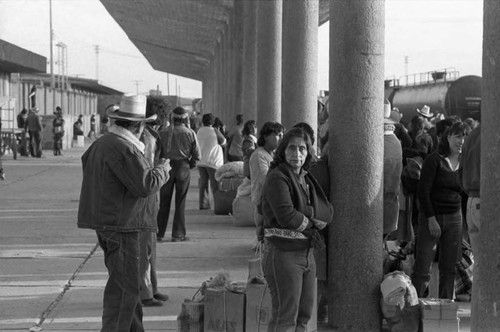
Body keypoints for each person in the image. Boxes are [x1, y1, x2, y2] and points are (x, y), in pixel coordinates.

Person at [77, 94, 170, 332]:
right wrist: (162, 169)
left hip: (110, 223)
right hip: (123, 225)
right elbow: (144, 185)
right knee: (124, 293)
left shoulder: (104, 143)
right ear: (138, 126)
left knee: (129, 291)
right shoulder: (123, 147)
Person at [261, 127, 334, 330]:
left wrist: (308, 213)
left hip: (307, 253)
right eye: (292, 148)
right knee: (285, 318)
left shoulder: (305, 177)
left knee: (304, 316)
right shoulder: (277, 177)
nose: (297, 154)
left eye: (302, 149)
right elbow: (287, 217)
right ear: (283, 151)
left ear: (308, 152)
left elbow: (326, 212)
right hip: (283, 253)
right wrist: (312, 221)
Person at [411, 122, 468, 299]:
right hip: (432, 216)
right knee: (423, 268)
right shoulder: (434, 160)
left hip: (454, 218)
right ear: (448, 137)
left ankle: (445, 310)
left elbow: (464, 193)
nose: (461, 141)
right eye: (458, 136)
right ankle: (413, 310)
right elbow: (423, 191)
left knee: (449, 268)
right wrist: (431, 218)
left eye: (464, 136)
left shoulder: (464, 162)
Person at [138, 103, 170, 307]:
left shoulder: (151, 136)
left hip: (151, 197)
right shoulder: (148, 138)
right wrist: (163, 169)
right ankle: (144, 291)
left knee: (150, 246)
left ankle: (152, 287)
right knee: (145, 248)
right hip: (146, 197)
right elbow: (149, 172)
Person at [156, 106, 200, 242]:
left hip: (166, 167)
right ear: (185, 118)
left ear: (172, 118)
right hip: (183, 167)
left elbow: (157, 152)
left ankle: (158, 233)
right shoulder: (190, 133)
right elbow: (197, 155)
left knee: (164, 202)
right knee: (180, 202)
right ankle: (178, 234)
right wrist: (189, 165)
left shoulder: (162, 132)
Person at [249, 121, 284, 246]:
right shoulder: (259, 155)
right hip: (262, 201)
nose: (281, 138)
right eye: (277, 135)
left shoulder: (273, 154)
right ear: (265, 137)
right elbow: (266, 180)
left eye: (281, 135)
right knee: (263, 232)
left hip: (270, 200)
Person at [459, 124, 480, 310]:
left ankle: (482, 308)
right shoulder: (493, 132)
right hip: (487, 200)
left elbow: (461, 170)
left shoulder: (472, 134)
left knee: (479, 260)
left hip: (471, 201)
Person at [196, 113, 226, 210]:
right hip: (213, 162)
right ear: (212, 122)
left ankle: (203, 204)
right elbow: (224, 142)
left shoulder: (199, 131)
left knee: (203, 184)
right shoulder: (215, 131)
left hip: (201, 161)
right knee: (215, 185)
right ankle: (219, 205)